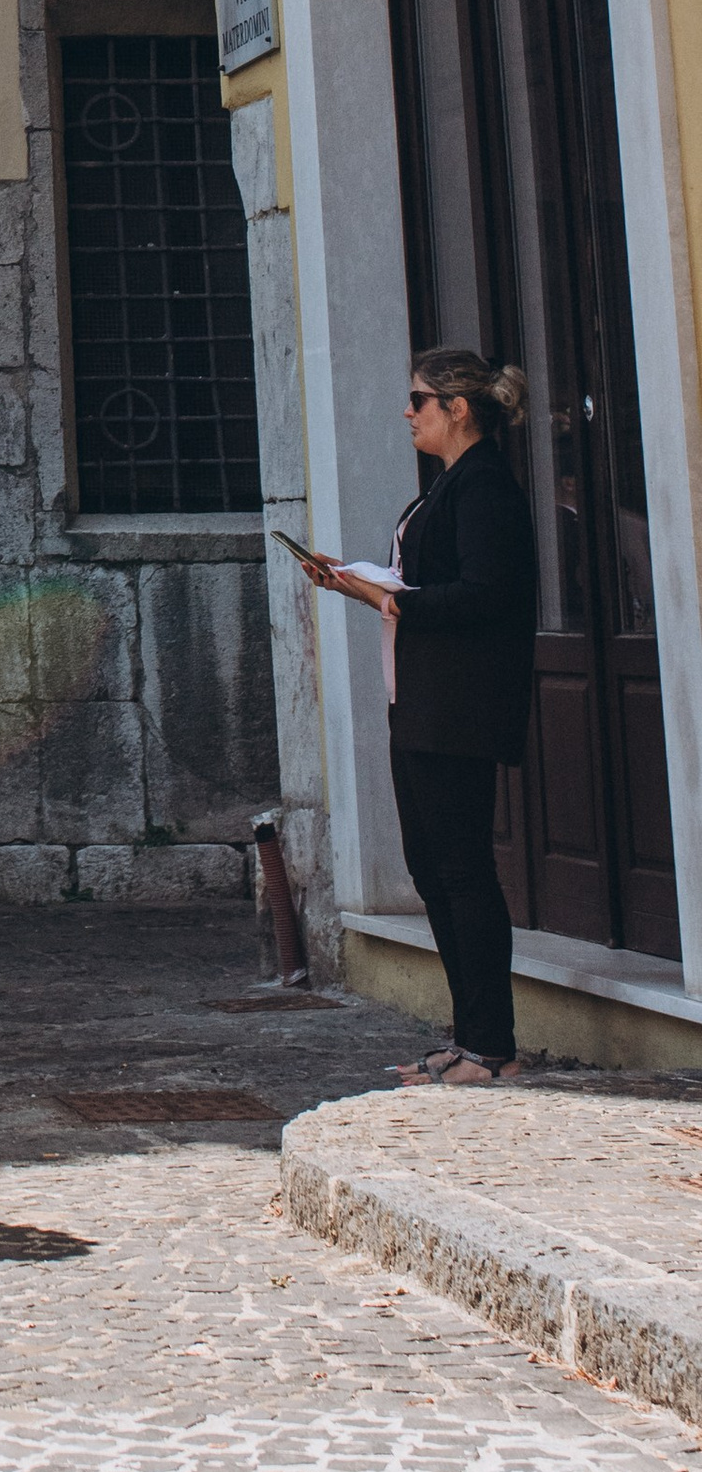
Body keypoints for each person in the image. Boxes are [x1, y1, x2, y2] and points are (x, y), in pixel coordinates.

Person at [297, 345, 537, 1087]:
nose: (408, 411)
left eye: (419, 399)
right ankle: (468, 1037)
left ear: (457, 408)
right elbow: (432, 581)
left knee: (462, 868)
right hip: (423, 703)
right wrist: (357, 582)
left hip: (459, 707)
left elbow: (484, 594)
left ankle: (491, 1046)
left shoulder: (485, 486)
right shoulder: (448, 487)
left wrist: (388, 598)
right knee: (432, 867)